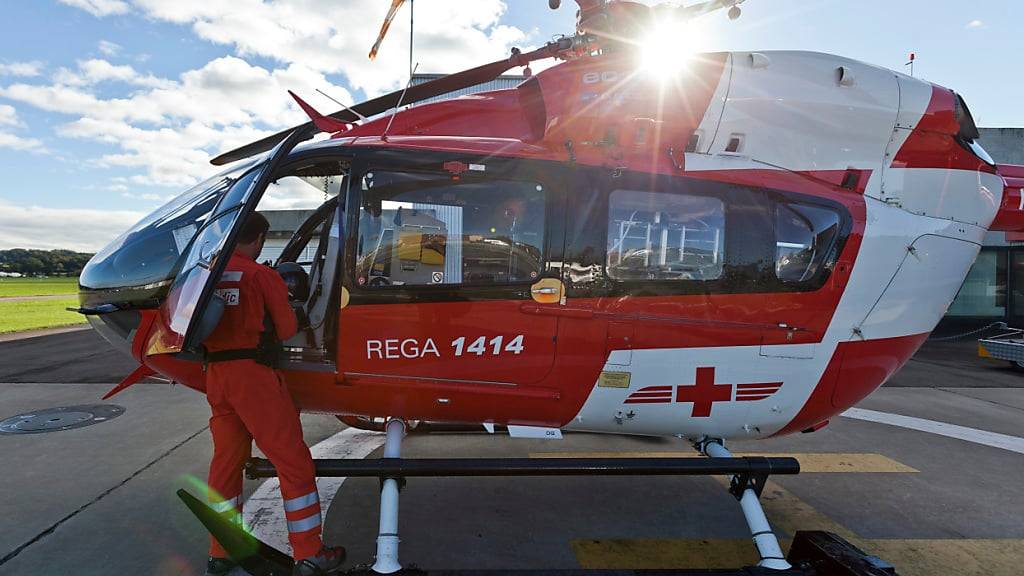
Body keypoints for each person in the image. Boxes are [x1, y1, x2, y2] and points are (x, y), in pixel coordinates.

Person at [202, 212, 344, 576]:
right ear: (259, 238)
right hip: (254, 377)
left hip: (216, 376)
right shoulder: (261, 276)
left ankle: (221, 552)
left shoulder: (208, 273)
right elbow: (285, 328)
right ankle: (310, 553)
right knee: (293, 463)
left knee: (226, 464)